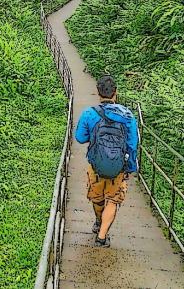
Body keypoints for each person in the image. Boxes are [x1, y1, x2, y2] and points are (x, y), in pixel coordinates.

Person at [74, 75, 138, 247]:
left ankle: (98, 221)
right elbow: (132, 144)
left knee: (98, 199)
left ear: (98, 93)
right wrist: (129, 168)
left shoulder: (89, 113)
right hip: (119, 167)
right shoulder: (128, 116)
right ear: (115, 93)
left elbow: (79, 138)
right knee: (112, 200)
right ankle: (102, 237)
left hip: (95, 165)